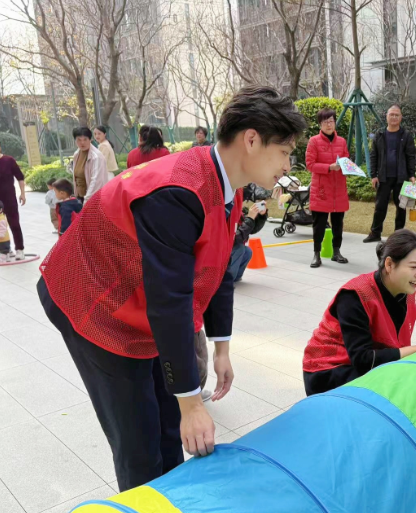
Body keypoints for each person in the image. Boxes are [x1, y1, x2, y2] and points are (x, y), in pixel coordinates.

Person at [37, 85, 308, 490]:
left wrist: (221, 349)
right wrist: (193, 404)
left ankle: (172, 495)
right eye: (285, 152)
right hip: (94, 299)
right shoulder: (179, 192)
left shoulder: (229, 187)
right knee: (139, 438)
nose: (287, 166)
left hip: (140, 297)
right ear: (251, 140)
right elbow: (170, 303)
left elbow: (217, 268)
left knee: (169, 421)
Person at [302, 229, 416, 395]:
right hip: (329, 370)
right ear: (389, 265)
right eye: (413, 267)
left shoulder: (406, 290)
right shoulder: (355, 295)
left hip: (368, 366)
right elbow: (363, 360)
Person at [365, 105, 416, 242]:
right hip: (383, 177)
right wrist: (373, 175)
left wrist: (412, 174)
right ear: (386, 116)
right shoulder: (379, 135)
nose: (394, 117)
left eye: (397, 115)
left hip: (401, 177)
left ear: (401, 117)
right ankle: (375, 233)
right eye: (391, 114)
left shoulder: (406, 136)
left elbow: (411, 156)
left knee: (401, 207)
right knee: (380, 206)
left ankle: (399, 235)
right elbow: (373, 156)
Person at [306, 108, 351, 268]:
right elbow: (310, 165)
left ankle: (336, 252)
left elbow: (346, 158)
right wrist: (329, 167)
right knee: (319, 224)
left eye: (331, 121)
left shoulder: (342, 141)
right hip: (321, 190)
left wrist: (348, 166)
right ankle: (316, 254)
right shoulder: (314, 141)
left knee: (338, 223)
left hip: (339, 189)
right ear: (320, 124)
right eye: (325, 122)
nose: (329, 124)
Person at [70, 126, 110, 199]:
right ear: (75, 141)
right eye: (79, 140)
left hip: (93, 198)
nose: (82, 142)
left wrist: (87, 199)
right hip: (80, 196)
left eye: (85, 139)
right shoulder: (77, 154)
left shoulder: (96, 157)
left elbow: (96, 181)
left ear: (90, 140)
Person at [0, 149, 22, 254]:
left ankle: (19, 248)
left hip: (9, 197)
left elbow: (20, 177)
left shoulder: (9, 160)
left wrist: (23, 193)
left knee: (14, 223)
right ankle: (5, 249)